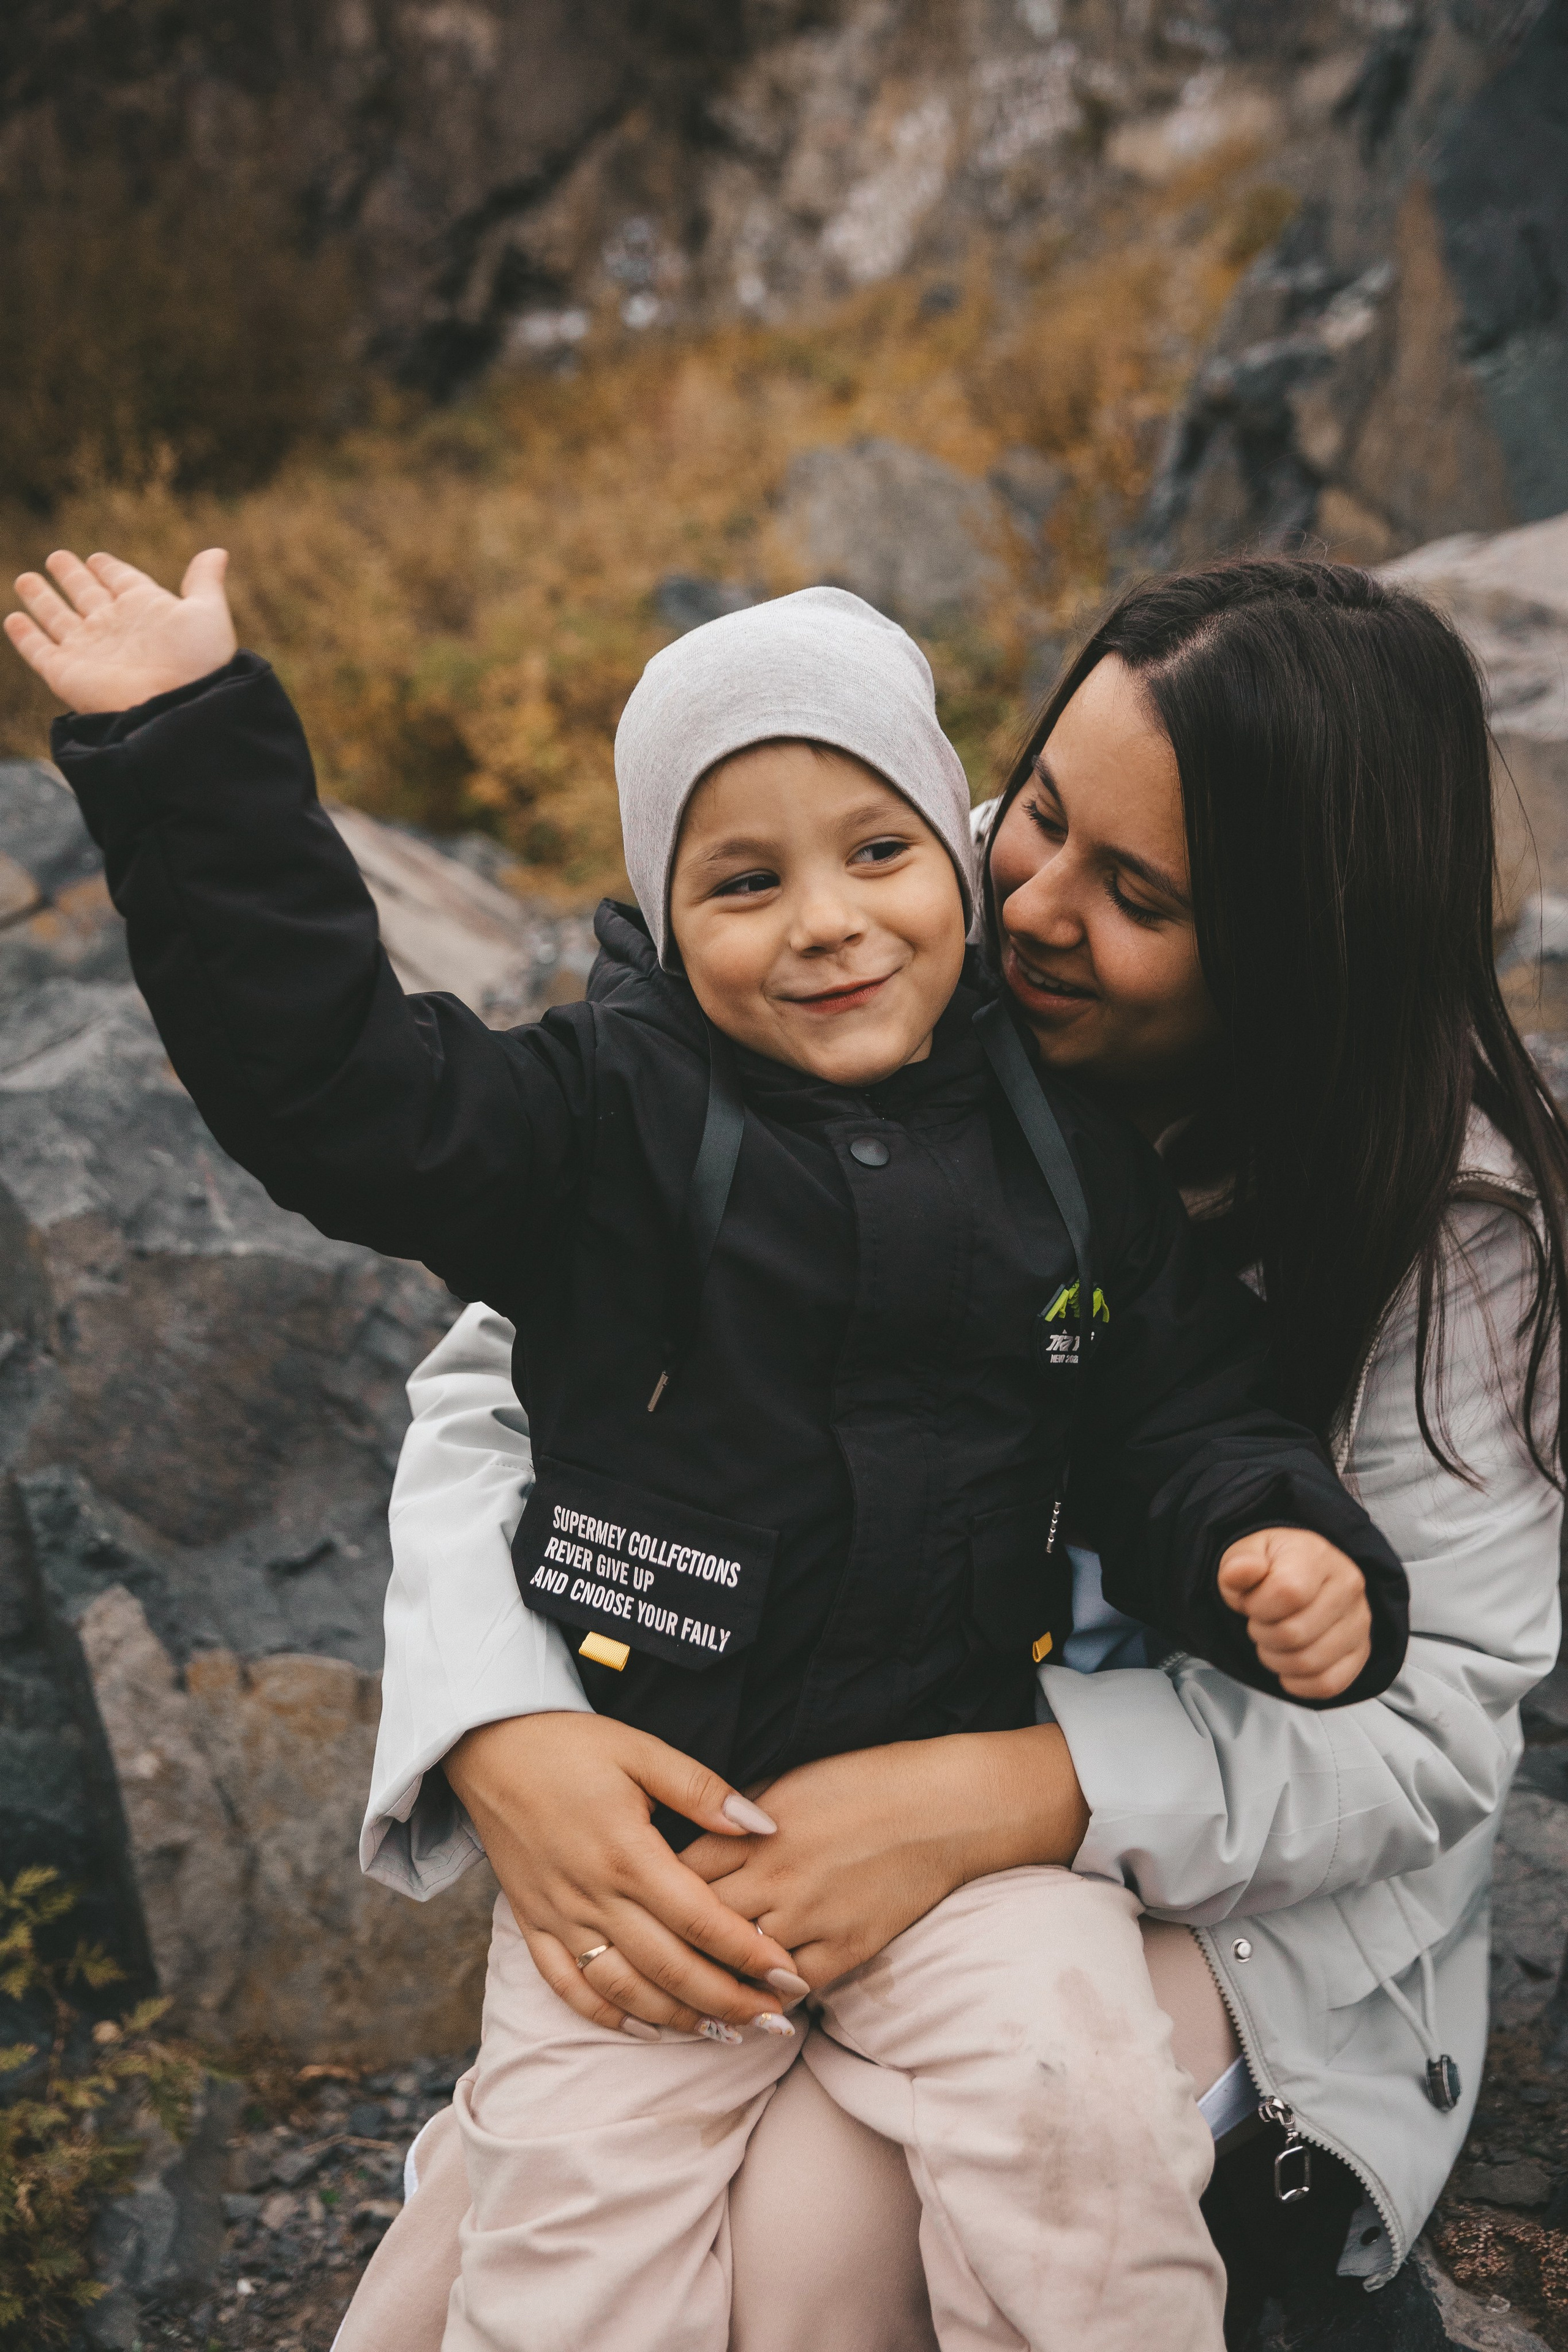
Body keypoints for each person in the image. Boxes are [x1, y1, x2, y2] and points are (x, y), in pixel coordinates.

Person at [3, 558, 1406, 2352]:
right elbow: (339, 1096)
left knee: (1080, 2134)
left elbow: (1181, 1420)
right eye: (745, 881)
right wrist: (187, 754)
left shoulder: (1071, 1161)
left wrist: (1262, 1545)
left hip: (963, 1854)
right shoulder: (600, 1123)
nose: (825, 922)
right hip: (656, 1872)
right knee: (562, 2264)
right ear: (662, 911)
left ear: (944, 856)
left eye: (880, 854)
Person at [339, 559, 1568, 2350]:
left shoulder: (1446, 1225)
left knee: (797, 2275)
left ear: (1304, 949)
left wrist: (995, 1796)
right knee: (458, 2278)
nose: (1036, 905)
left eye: (1137, 892)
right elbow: (505, 1379)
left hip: (1193, 1894)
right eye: (1040, 813)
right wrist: (504, 1725)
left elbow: (1431, 1726)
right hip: (795, 1756)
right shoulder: (890, 899)